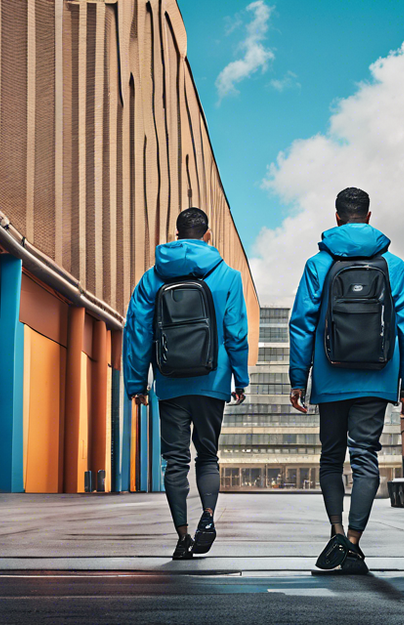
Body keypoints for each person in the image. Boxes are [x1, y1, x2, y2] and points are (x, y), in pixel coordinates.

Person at [287, 187, 404, 575]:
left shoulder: (318, 264)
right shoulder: (395, 266)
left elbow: (302, 324)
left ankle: (336, 532)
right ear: (369, 215)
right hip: (377, 375)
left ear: (337, 217)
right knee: (365, 457)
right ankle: (354, 543)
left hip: (330, 376)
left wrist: (299, 378)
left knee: (331, 458)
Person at [123, 207, 249, 560]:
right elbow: (236, 332)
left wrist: (137, 383)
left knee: (175, 461)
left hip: (170, 380)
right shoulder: (227, 276)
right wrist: (240, 376)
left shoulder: (152, 277)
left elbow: (138, 333)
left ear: (177, 235)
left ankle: (182, 537)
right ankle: (207, 518)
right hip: (213, 379)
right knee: (207, 454)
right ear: (207, 235)